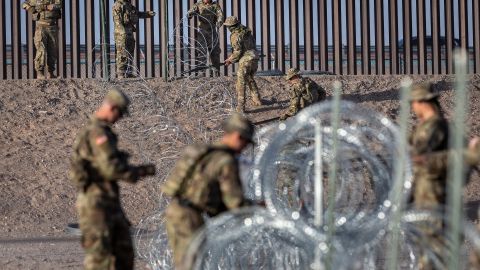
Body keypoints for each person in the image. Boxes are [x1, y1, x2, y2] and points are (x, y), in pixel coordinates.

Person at [69, 87, 156, 270]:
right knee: (101, 260)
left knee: (123, 253)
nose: (120, 119)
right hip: (96, 204)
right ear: (112, 108)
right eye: (120, 113)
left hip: (107, 201)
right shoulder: (97, 133)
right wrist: (137, 172)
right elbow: (111, 168)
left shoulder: (99, 131)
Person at [162, 113, 255, 269]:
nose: (244, 148)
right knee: (192, 265)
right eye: (245, 143)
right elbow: (235, 202)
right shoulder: (226, 161)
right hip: (190, 216)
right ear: (238, 136)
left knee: (182, 263)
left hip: (175, 210)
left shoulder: (203, 151)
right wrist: (257, 207)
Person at [408, 83, 449, 269]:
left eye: (414, 103)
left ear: (423, 102)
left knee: (432, 239)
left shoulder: (436, 126)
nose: (412, 107)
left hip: (433, 191)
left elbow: (423, 154)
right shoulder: (426, 125)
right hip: (423, 188)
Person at [224, 16, 263, 112]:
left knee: (241, 83)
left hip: (246, 60)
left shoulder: (235, 35)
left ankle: (240, 108)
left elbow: (237, 52)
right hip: (255, 57)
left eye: (227, 26)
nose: (227, 28)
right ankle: (257, 100)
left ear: (231, 26)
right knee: (249, 78)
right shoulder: (246, 32)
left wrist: (230, 60)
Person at [113, 0, 155, 79]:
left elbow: (138, 14)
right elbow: (117, 20)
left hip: (129, 32)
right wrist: (122, 32)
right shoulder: (118, 4)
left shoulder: (129, 5)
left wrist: (148, 14)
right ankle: (121, 74)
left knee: (130, 52)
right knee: (122, 53)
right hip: (121, 34)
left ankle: (128, 73)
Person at [22, 0, 62, 79]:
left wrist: (51, 6)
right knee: (41, 50)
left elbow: (60, 5)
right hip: (41, 27)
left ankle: (51, 73)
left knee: (52, 51)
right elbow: (24, 4)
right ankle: (39, 73)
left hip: (52, 27)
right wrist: (30, 8)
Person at [187, 0, 224, 76]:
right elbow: (189, 13)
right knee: (201, 51)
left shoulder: (215, 6)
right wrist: (190, 13)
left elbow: (220, 16)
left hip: (212, 31)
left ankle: (216, 71)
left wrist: (219, 22)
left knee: (214, 52)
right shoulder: (198, 4)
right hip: (202, 32)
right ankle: (201, 72)